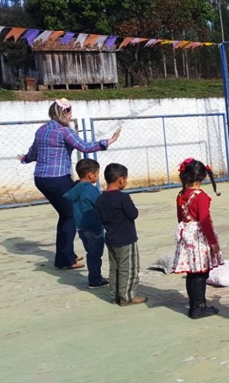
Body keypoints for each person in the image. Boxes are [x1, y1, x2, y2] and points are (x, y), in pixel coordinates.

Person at [18, 99, 121, 270]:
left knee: (65, 214)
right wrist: (108, 142)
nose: (71, 115)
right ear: (64, 113)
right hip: (58, 178)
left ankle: (67, 254)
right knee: (70, 215)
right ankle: (64, 259)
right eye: (70, 112)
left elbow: (33, 153)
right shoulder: (64, 131)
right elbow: (84, 147)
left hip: (41, 179)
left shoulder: (42, 130)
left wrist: (24, 159)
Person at [172, 158, 224, 318]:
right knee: (201, 273)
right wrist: (213, 243)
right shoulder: (200, 196)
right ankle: (199, 307)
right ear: (203, 177)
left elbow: (180, 217)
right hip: (199, 237)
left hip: (187, 234)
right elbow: (204, 221)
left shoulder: (182, 194)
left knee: (192, 273)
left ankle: (195, 304)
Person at [95, 163, 146, 306]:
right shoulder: (123, 198)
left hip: (111, 238)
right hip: (126, 239)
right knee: (129, 268)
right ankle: (127, 296)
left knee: (115, 268)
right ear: (121, 180)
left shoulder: (100, 199)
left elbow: (98, 216)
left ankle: (115, 295)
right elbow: (133, 214)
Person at [63, 158, 108, 289]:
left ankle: (95, 276)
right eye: (97, 173)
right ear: (91, 174)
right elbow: (99, 206)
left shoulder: (76, 188)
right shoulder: (90, 189)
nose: (98, 176)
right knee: (95, 254)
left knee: (91, 252)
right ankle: (95, 279)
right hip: (94, 227)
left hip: (81, 228)